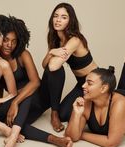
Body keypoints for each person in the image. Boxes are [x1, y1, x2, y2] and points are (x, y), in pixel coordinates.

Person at [0, 15, 73, 147]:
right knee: (17, 124)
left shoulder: (22, 54)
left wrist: (15, 103)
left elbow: (35, 82)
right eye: (6, 40)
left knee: (55, 69)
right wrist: (2, 107)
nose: (10, 45)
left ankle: (54, 113)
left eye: (14, 41)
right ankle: (57, 140)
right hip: (22, 107)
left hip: (38, 98)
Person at [64, 39, 125, 147]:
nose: (83, 86)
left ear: (103, 88)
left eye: (89, 83)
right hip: (112, 95)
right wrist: (76, 114)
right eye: (85, 82)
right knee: (123, 91)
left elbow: (111, 142)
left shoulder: (120, 105)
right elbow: (71, 135)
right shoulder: (86, 102)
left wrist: (81, 134)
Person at [41, 2, 98, 132]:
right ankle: (56, 113)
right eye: (56, 16)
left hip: (94, 83)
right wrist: (51, 52)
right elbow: (45, 65)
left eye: (63, 17)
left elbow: (53, 66)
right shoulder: (55, 39)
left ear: (70, 21)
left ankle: (55, 113)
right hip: (81, 85)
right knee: (64, 114)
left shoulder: (75, 40)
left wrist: (52, 54)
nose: (58, 20)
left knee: (56, 68)